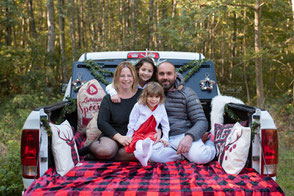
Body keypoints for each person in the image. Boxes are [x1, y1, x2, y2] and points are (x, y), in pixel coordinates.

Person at [150, 61, 216, 164]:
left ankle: (210, 142)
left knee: (201, 157)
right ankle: (181, 155)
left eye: (169, 73)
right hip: (163, 138)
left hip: (183, 135)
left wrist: (189, 137)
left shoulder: (187, 93)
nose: (165, 77)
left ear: (175, 76)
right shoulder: (151, 94)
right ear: (157, 76)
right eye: (161, 74)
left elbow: (201, 121)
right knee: (151, 155)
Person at [79, 61, 141, 161]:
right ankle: (90, 149)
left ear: (134, 77)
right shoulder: (109, 98)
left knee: (140, 152)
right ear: (117, 78)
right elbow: (102, 122)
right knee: (106, 150)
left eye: (129, 76)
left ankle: (98, 157)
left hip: (134, 137)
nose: (126, 79)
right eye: (122, 76)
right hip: (113, 136)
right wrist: (119, 137)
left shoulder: (142, 96)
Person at [125, 82, 169, 166]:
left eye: (157, 97)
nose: (154, 99)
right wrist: (129, 136)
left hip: (151, 132)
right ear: (146, 96)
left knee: (149, 143)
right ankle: (140, 155)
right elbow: (132, 122)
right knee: (138, 143)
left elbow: (165, 124)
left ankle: (144, 157)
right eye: (151, 96)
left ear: (160, 97)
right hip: (138, 132)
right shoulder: (139, 105)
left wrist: (165, 138)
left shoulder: (161, 107)